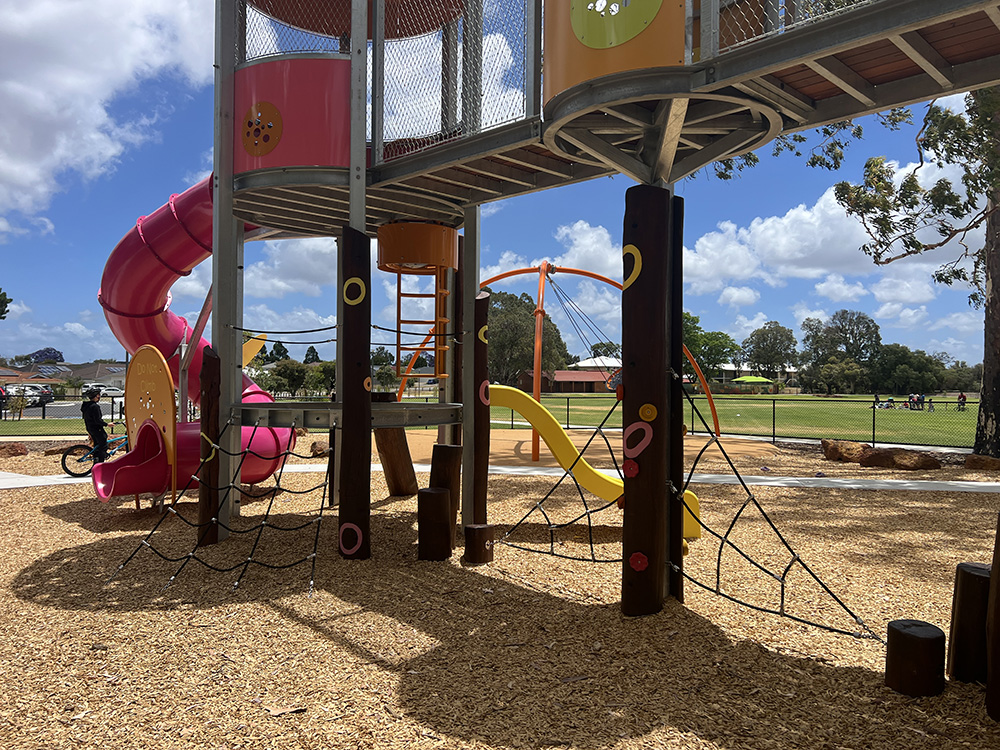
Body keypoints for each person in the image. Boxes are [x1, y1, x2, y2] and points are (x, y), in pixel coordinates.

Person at [81, 388, 109, 463]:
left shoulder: (86, 406)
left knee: (97, 445)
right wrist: (107, 424)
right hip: (97, 429)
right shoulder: (95, 407)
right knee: (103, 445)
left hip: (90, 428)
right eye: (98, 395)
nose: (99, 397)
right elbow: (97, 420)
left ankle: (96, 462)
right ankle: (100, 464)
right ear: (96, 396)